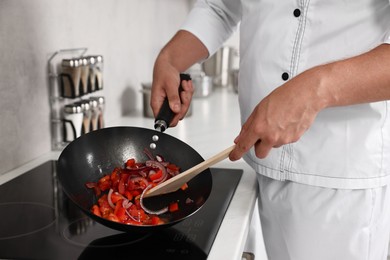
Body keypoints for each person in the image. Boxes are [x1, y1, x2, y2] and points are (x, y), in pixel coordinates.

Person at [150, 1, 390, 259]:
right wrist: (170, 59)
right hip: (258, 166)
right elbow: (221, 6)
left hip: (338, 182)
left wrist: (315, 90)